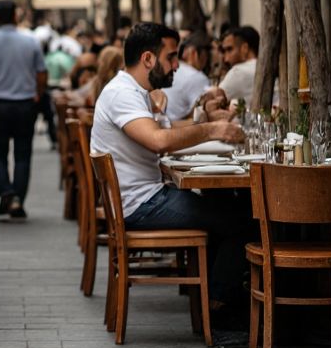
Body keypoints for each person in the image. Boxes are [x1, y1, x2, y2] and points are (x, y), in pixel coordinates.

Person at [89, 22, 250, 329]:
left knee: (226, 208)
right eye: (171, 57)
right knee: (242, 219)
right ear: (148, 59)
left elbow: (164, 130)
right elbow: (158, 140)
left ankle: (216, 300)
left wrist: (203, 120)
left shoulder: (132, 90)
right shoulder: (122, 94)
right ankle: (219, 307)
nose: (177, 65)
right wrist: (213, 129)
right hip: (141, 205)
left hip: (143, 198)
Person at [0, 0, 47, 219]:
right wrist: (38, 94)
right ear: (15, 16)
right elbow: (42, 72)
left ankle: (6, 192)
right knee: (23, 154)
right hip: (24, 105)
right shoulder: (31, 41)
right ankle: (17, 199)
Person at [161, 34, 212, 122]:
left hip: (163, 124)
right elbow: (202, 115)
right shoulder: (197, 77)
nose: (207, 59)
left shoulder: (169, 69)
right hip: (180, 129)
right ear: (194, 53)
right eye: (206, 53)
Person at [213, 26, 259, 105]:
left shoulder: (238, 72)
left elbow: (213, 98)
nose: (226, 59)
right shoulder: (259, 67)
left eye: (229, 50)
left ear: (244, 48)